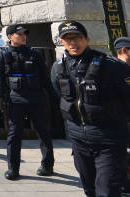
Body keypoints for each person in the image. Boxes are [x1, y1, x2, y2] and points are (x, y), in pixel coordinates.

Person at [51, 21, 130, 196]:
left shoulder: (112, 66)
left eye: (77, 38)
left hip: (109, 140)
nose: (73, 43)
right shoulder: (57, 68)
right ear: (62, 42)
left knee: (107, 190)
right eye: (67, 39)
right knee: (90, 190)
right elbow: (60, 95)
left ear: (87, 39)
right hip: (79, 140)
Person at [0, 25, 54, 180]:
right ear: (9, 36)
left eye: (24, 34)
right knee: (14, 135)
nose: (23, 36)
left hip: (36, 98)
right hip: (15, 100)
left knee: (44, 133)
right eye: (19, 34)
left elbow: (45, 77)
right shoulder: (2, 54)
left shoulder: (34, 53)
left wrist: (54, 95)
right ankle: (13, 169)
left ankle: (47, 165)